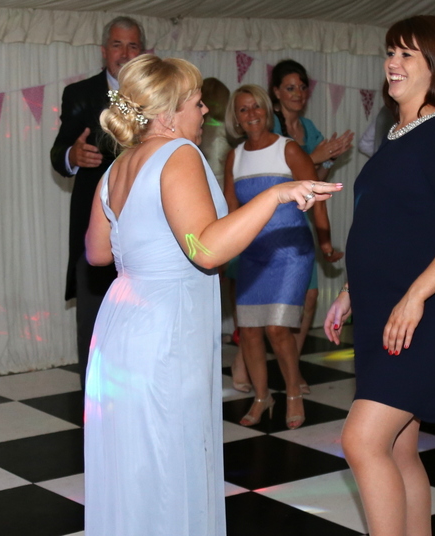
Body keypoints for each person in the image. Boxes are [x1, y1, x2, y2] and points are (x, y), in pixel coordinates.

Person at [84, 55, 340, 536]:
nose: (206, 113)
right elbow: (205, 250)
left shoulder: (117, 167)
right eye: (197, 103)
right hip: (166, 331)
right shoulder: (177, 154)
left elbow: (98, 253)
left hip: (121, 324)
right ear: (166, 112)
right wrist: (276, 196)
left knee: (136, 465)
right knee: (168, 461)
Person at [323, 15, 435, 536]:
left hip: (426, 313)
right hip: (384, 308)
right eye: (391, 52)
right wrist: (350, 291)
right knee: (398, 446)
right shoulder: (397, 134)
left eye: (407, 55)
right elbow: (391, 224)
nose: (393, 63)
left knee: (362, 440)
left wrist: (415, 297)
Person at [49, 16, 144, 389]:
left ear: (143, 51)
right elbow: (59, 152)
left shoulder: (154, 94)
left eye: (132, 45)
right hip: (94, 226)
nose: (124, 53)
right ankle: (93, 393)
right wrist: (73, 155)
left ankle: (138, 390)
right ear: (104, 51)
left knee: (139, 316)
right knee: (93, 316)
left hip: (145, 226)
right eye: (118, 45)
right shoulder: (81, 94)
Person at [223, 84, 322, 429]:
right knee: (249, 330)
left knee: (278, 328)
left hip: (290, 252)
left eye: (256, 107)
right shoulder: (235, 156)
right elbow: (231, 208)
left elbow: (315, 195)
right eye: (243, 110)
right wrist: (222, 250)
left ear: (267, 109)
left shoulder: (289, 149)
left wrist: (324, 239)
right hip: (251, 254)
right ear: (235, 118)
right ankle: (262, 398)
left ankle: (293, 393)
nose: (251, 115)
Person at [269, 59, 352, 354]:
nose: (298, 93)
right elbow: (276, 176)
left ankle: (294, 362)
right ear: (276, 92)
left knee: (310, 297)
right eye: (290, 88)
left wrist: (329, 159)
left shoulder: (309, 128)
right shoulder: (269, 126)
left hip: (302, 220)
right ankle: (249, 366)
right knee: (268, 304)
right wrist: (314, 156)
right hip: (272, 220)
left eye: (302, 87)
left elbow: (316, 181)